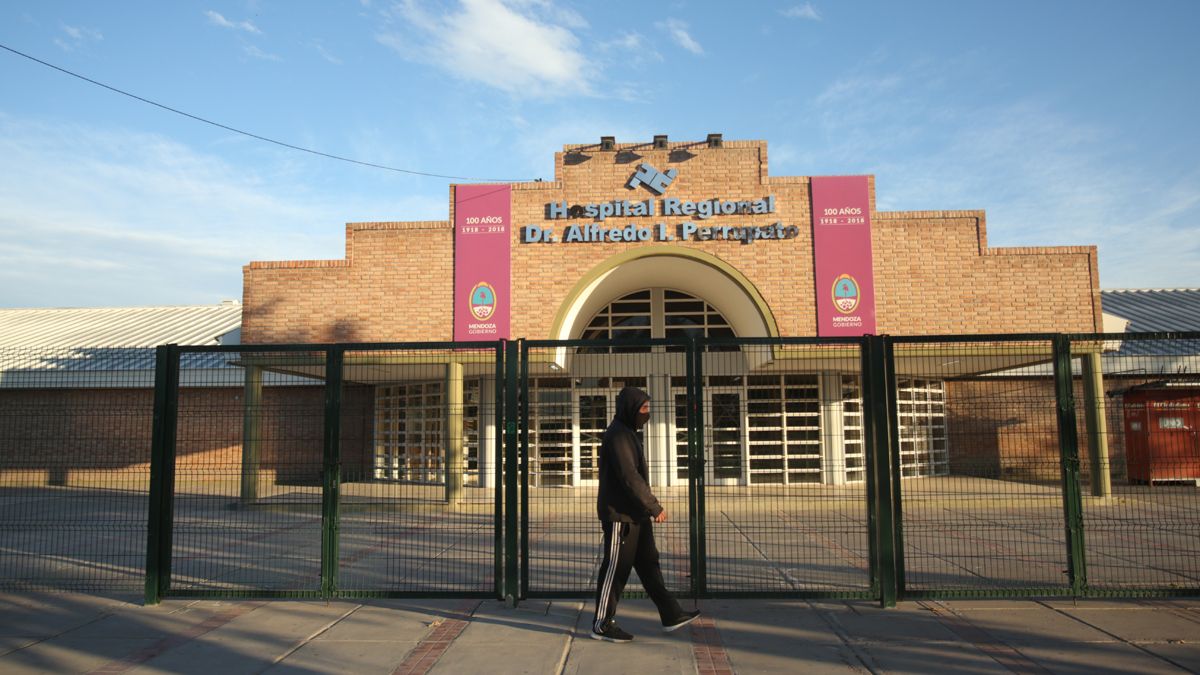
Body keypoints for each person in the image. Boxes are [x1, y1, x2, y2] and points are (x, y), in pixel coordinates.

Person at [591, 386, 700, 643]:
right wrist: (654, 506)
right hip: (621, 517)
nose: (647, 413)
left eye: (648, 408)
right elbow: (630, 477)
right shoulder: (618, 435)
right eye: (643, 408)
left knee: (649, 563)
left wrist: (645, 509)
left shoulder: (628, 432)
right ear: (630, 408)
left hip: (635, 515)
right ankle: (602, 624)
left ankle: (671, 613)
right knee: (615, 569)